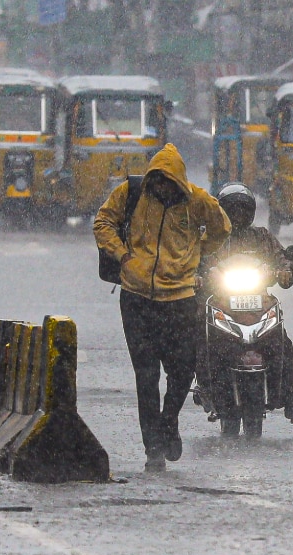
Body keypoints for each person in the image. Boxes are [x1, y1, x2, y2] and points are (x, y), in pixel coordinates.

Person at [94, 143, 231, 473]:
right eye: (157, 183)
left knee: (182, 370)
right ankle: (153, 447)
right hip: (136, 298)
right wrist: (124, 256)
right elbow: (103, 223)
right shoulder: (132, 192)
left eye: (168, 184)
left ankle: (169, 423)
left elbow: (221, 229)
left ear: (179, 183)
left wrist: (195, 254)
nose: (161, 189)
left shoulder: (198, 201)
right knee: (146, 376)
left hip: (180, 299)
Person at [194, 182, 293, 424]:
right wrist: (197, 277)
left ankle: (289, 399)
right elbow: (193, 261)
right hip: (220, 302)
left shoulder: (262, 236)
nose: (238, 216)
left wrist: (286, 271)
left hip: (259, 304)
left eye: (243, 210)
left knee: (282, 342)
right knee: (199, 338)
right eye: (232, 210)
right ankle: (204, 388)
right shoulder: (210, 238)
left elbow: (282, 258)